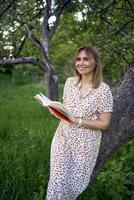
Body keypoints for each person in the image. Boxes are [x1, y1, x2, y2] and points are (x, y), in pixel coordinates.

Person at [45, 45, 113, 200]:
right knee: (57, 180)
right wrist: (56, 110)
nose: (81, 63)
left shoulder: (103, 90)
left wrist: (78, 120)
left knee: (73, 184)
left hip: (85, 144)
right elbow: (67, 110)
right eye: (78, 59)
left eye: (86, 59)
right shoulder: (70, 83)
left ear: (95, 62)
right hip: (63, 136)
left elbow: (104, 123)